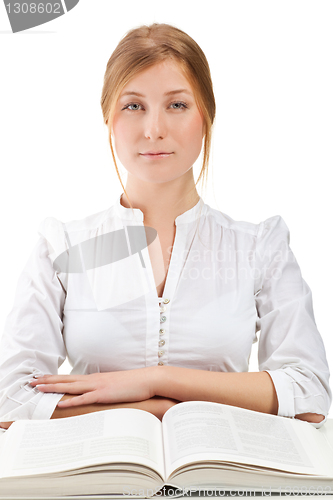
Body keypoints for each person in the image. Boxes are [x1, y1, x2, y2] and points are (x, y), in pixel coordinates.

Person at [0, 23, 331, 430]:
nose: (154, 129)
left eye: (176, 105)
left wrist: (156, 380)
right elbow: (10, 399)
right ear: (108, 117)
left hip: (221, 483)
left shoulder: (260, 246)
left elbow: (309, 393)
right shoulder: (61, 246)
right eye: (134, 106)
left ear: (206, 114)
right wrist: (153, 409)